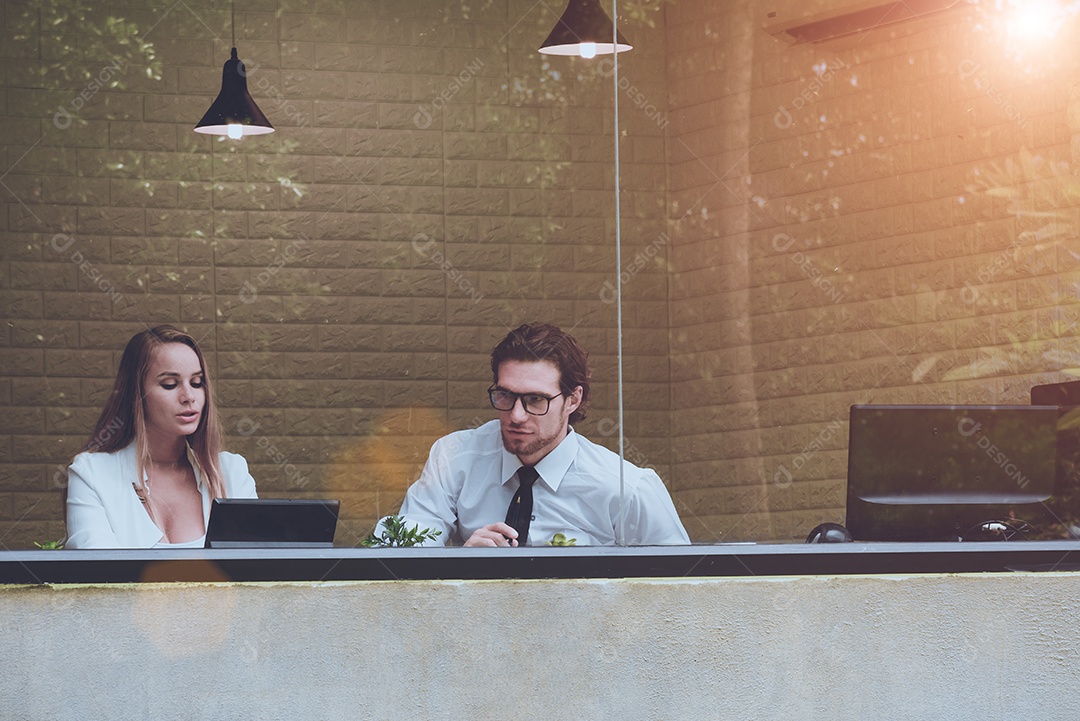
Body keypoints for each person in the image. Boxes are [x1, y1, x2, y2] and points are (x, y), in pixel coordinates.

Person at [392, 323, 690, 546]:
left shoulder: (628, 489)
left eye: (536, 399)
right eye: (505, 395)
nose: (516, 415)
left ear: (572, 399)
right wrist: (461, 565)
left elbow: (678, 596)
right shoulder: (455, 458)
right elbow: (399, 551)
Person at [65, 325, 257, 548]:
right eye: (170, 384)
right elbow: (99, 574)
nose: (189, 397)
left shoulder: (232, 472)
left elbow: (253, 571)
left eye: (197, 383)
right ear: (137, 394)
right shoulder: (92, 474)